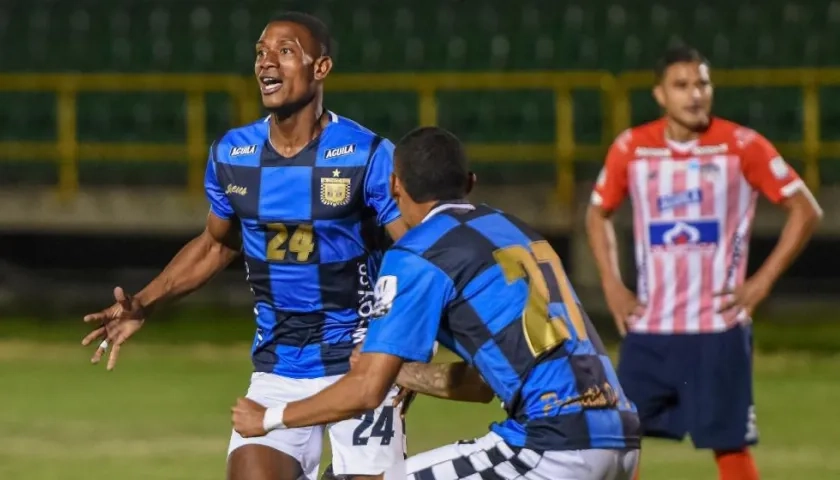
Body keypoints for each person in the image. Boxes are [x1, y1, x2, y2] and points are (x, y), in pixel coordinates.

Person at [81, 12, 408, 480]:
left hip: (359, 357)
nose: (266, 62)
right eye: (260, 52)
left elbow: (415, 253)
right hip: (279, 363)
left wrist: (403, 353)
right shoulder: (233, 155)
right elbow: (217, 245)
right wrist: (145, 303)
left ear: (321, 69)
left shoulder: (367, 154)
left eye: (285, 51)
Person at [231, 126, 641, 480]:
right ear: (470, 182)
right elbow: (484, 383)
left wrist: (268, 418)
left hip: (553, 446)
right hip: (620, 435)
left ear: (395, 186)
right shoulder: (516, 232)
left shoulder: (418, 253)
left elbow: (366, 390)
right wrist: (408, 374)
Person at [586, 46, 823, 480]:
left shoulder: (741, 145)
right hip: (650, 331)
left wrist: (761, 282)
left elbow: (806, 210)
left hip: (718, 328)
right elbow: (597, 212)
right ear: (660, 94)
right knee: (617, 442)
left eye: (702, 83)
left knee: (729, 446)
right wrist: (612, 285)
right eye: (682, 86)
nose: (695, 95)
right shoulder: (632, 148)